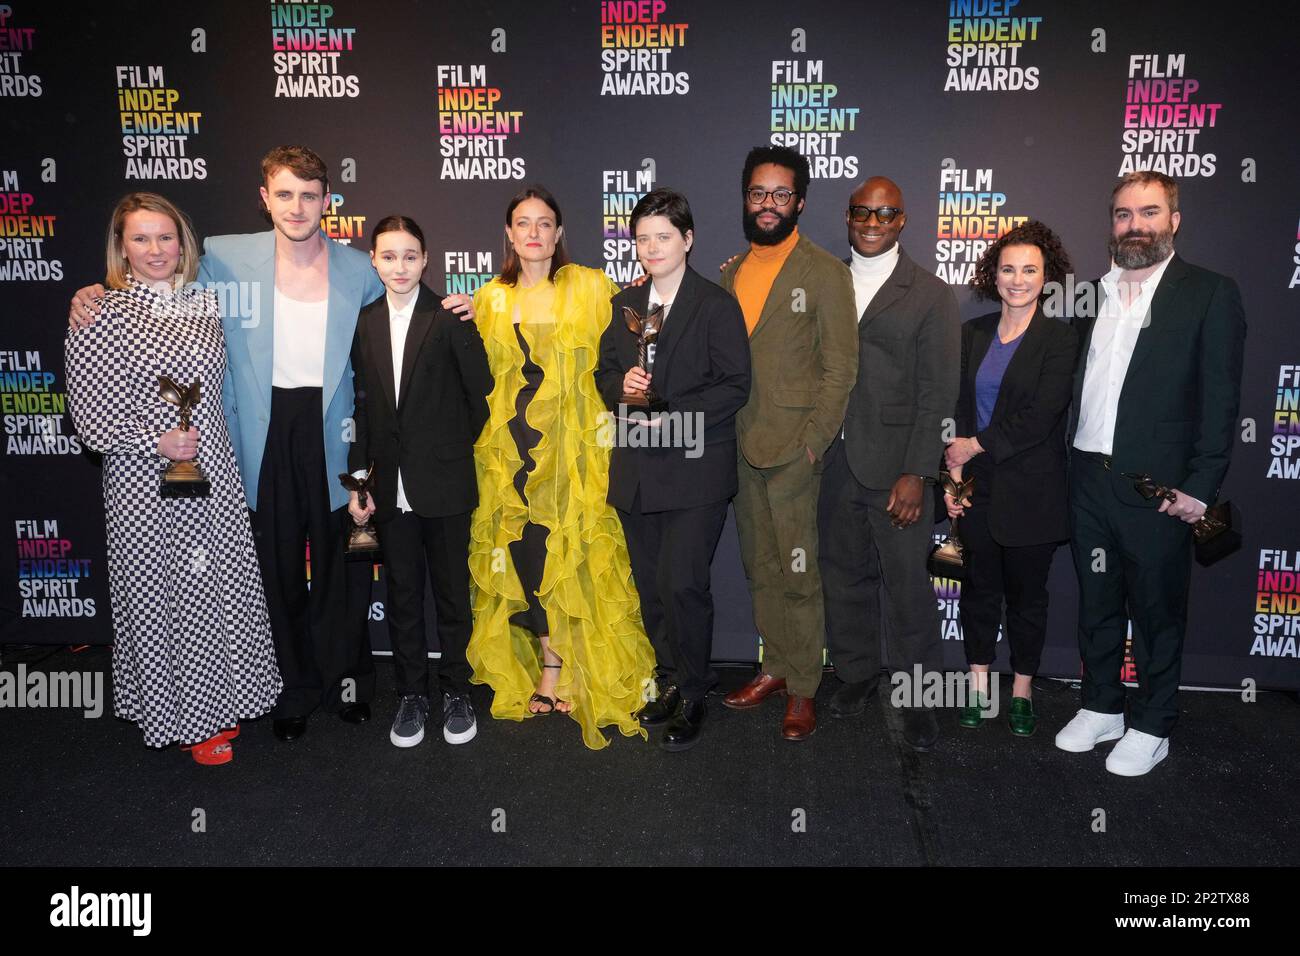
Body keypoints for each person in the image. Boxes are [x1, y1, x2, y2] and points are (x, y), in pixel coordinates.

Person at [68, 145, 474, 743]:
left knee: (345, 565)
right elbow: (153, 275)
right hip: (259, 433)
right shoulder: (225, 258)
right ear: (265, 199)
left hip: (335, 429)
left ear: (327, 203)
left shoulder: (358, 267)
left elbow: (407, 302)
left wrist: (455, 306)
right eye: (284, 194)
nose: (297, 207)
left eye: (309, 195)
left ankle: (351, 683)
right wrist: (91, 292)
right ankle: (294, 689)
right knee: (277, 567)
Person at [64, 192, 282, 766]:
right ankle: (190, 718)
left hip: (212, 478)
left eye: (165, 237)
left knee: (219, 589)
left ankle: (224, 699)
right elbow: (89, 420)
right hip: (143, 487)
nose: (155, 249)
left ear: (182, 242)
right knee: (168, 597)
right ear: (121, 247)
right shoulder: (99, 314)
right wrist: (151, 440)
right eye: (141, 238)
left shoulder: (205, 302)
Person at [1058, 170, 1246, 776]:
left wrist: (1201, 485)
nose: (1133, 225)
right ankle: (1103, 706)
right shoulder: (1087, 294)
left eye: (1147, 212)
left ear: (1174, 219)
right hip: (1088, 478)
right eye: (1122, 214)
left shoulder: (1209, 293)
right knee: (1098, 601)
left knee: (1159, 609)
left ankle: (1153, 722)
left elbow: (1221, 403)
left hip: (1160, 488)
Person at [466, 184, 655, 750]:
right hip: (512, 449)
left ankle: (576, 666)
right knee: (525, 550)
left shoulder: (590, 287)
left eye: (544, 223)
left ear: (558, 233)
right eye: (523, 223)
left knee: (569, 549)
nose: (533, 233)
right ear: (508, 232)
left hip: (575, 448)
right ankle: (548, 662)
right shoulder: (488, 299)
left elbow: (646, 317)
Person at [595, 188, 751, 751]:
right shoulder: (625, 303)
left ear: (687, 240)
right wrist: (623, 388)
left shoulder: (714, 304)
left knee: (683, 583)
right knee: (653, 587)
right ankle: (666, 678)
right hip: (637, 468)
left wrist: (672, 415)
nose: (651, 246)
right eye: (642, 237)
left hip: (694, 468)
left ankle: (695, 691)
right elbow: (604, 372)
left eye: (663, 236)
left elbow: (736, 385)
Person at [718, 146, 858, 741]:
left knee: (799, 569)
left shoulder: (824, 272)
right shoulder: (728, 273)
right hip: (739, 444)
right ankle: (774, 665)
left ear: (799, 202)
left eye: (780, 194)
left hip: (795, 448)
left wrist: (814, 442)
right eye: (758, 193)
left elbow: (840, 367)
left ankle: (804, 686)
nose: (767, 204)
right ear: (746, 199)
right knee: (761, 566)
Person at [816, 176, 960, 752]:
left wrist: (918, 472)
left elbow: (938, 391)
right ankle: (855, 676)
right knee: (843, 578)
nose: (872, 223)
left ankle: (920, 697)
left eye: (885, 213)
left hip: (897, 468)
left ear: (903, 221)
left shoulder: (929, 293)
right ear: (848, 216)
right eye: (862, 212)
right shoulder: (824, 281)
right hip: (831, 462)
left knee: (906, 587)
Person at [346, 216, 493, 749]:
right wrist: (360, 481)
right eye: (389, 256)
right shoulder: (363, 323)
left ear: (426, 259)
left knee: (453, 597)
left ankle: (456, 690)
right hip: (389, 488)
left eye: (410, 256)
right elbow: (363, 410)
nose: (400, 266)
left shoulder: (450, 316)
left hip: (446, 483)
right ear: (374, 261)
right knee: (404, 596)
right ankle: (411, 694)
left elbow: (482, 394)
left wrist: (447, 449)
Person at [943, 220, 1080, 737]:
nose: (1017, 279)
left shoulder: (1059, 340)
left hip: (1034, 493)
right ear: (993, 275)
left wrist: (973, 445)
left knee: (1027, 598)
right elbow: (956, 409)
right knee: (979, 590)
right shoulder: (971, 333)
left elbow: (1043, 416)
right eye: (1008, 269)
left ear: (1047, 277)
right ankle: (978, 683)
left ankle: (1021, 688)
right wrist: (953, 475)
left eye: (1029, 269)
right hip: (978, 487)